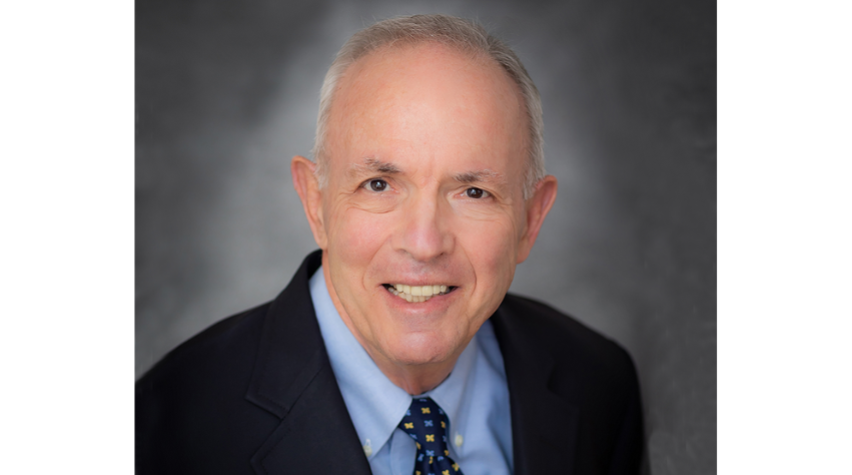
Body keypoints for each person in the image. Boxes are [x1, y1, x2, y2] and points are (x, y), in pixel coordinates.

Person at [136, 14, 644, 475]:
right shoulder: (164, 427)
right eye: (379, 185)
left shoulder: (599, 383)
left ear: (530, 220)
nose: (424, 244)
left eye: (473, 192)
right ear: (316, 203)